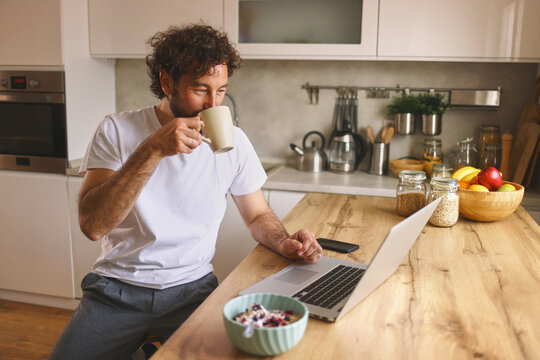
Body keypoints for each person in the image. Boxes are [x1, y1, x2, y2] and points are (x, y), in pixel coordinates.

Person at [50, 24, 322, 360]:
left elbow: (258, 214)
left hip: (192, 291)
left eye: (221, 91)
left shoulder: (234, 142)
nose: (212, 103)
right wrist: (152, 149)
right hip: (116, 289)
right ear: (167, 82)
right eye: (200, 89)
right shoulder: (117, 130)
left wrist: (283, 242)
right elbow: (92, 224)